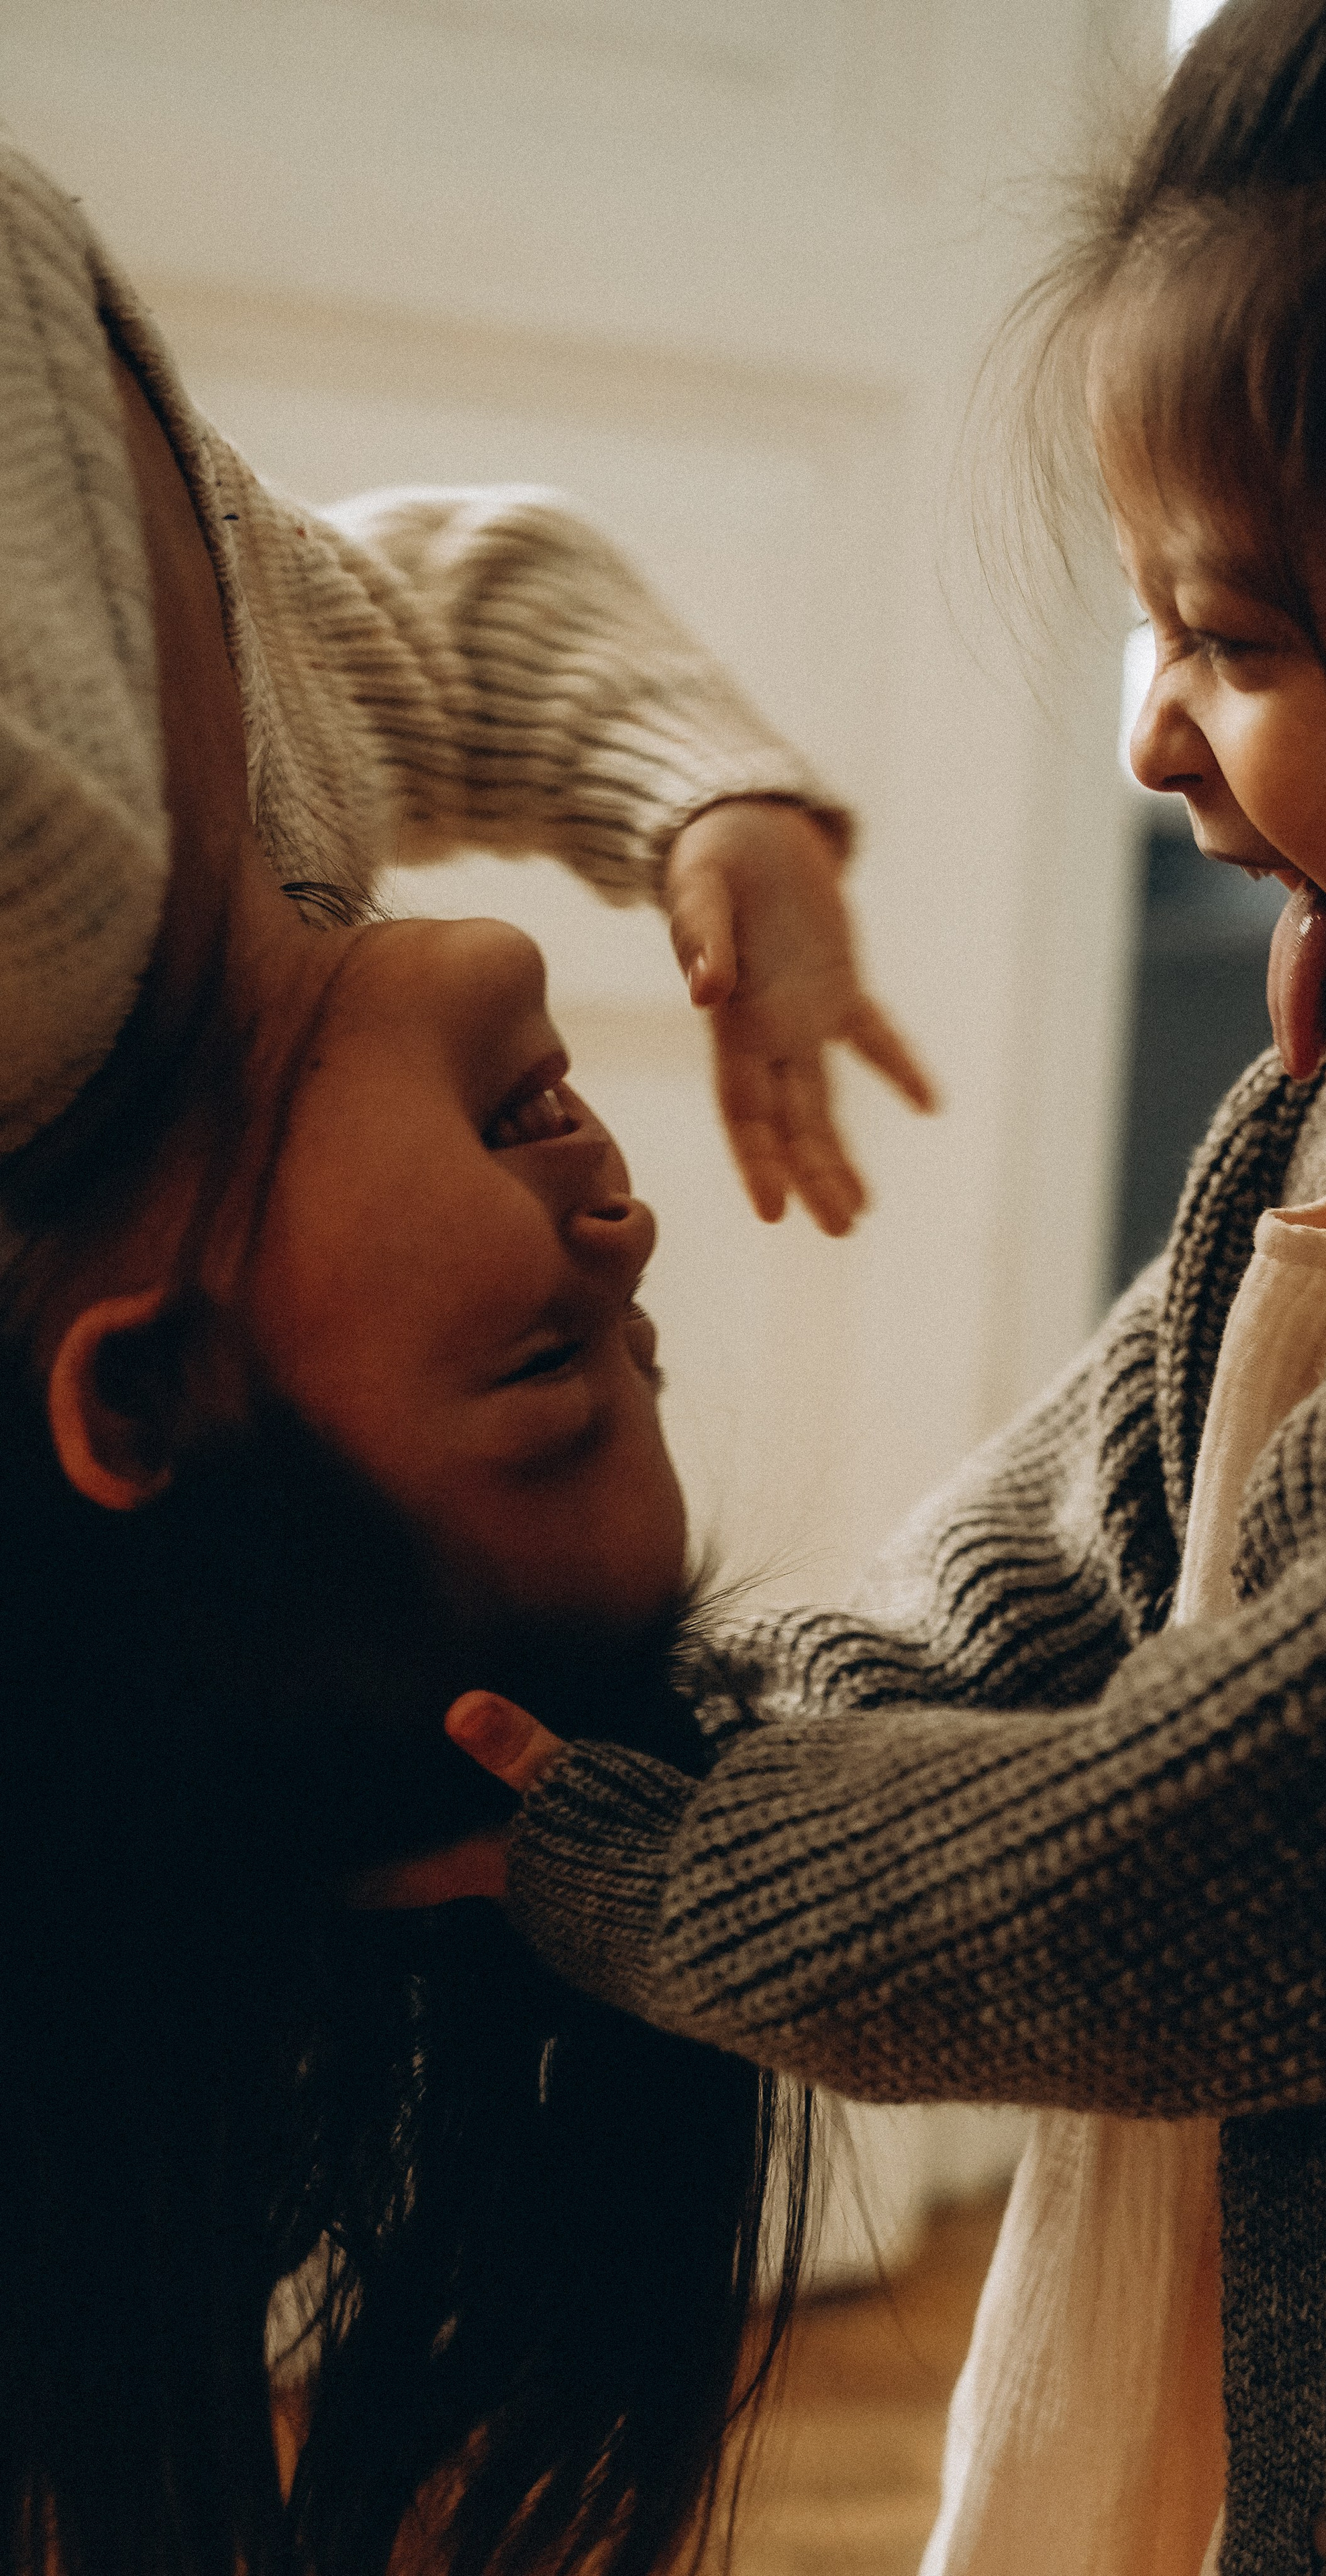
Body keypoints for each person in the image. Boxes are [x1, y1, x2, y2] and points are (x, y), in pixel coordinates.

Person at [405, 1, 1326, 2567]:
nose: (1149, 737)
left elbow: (1215, 1853)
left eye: (1237, 642)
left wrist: (668, 1870)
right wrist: (707, 1721)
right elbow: (1092, 1535)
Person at [0, 141, 931, 2576]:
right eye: (637, 1328)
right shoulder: (252, 878)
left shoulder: (46, 902)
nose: (621, 1227)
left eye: (544, 1358)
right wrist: (713, 801)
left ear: (154, 1394)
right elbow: (433, 614)